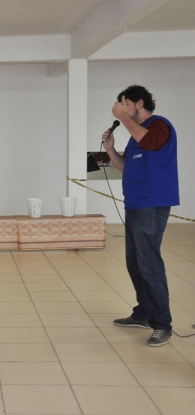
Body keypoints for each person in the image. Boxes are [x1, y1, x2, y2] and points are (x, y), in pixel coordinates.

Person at [102, 85, 179, 347]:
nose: (121, 108)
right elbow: (126, 167)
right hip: (134, 204)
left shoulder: (160, 126)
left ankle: (162, 325)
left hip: (153, 205)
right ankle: (144, 314)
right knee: (135, 263)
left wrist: (121, 118)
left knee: (150, 267)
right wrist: (111, 150)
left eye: (124, 104)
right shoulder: (136, 137)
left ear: (139, 103)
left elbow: (152, 142)